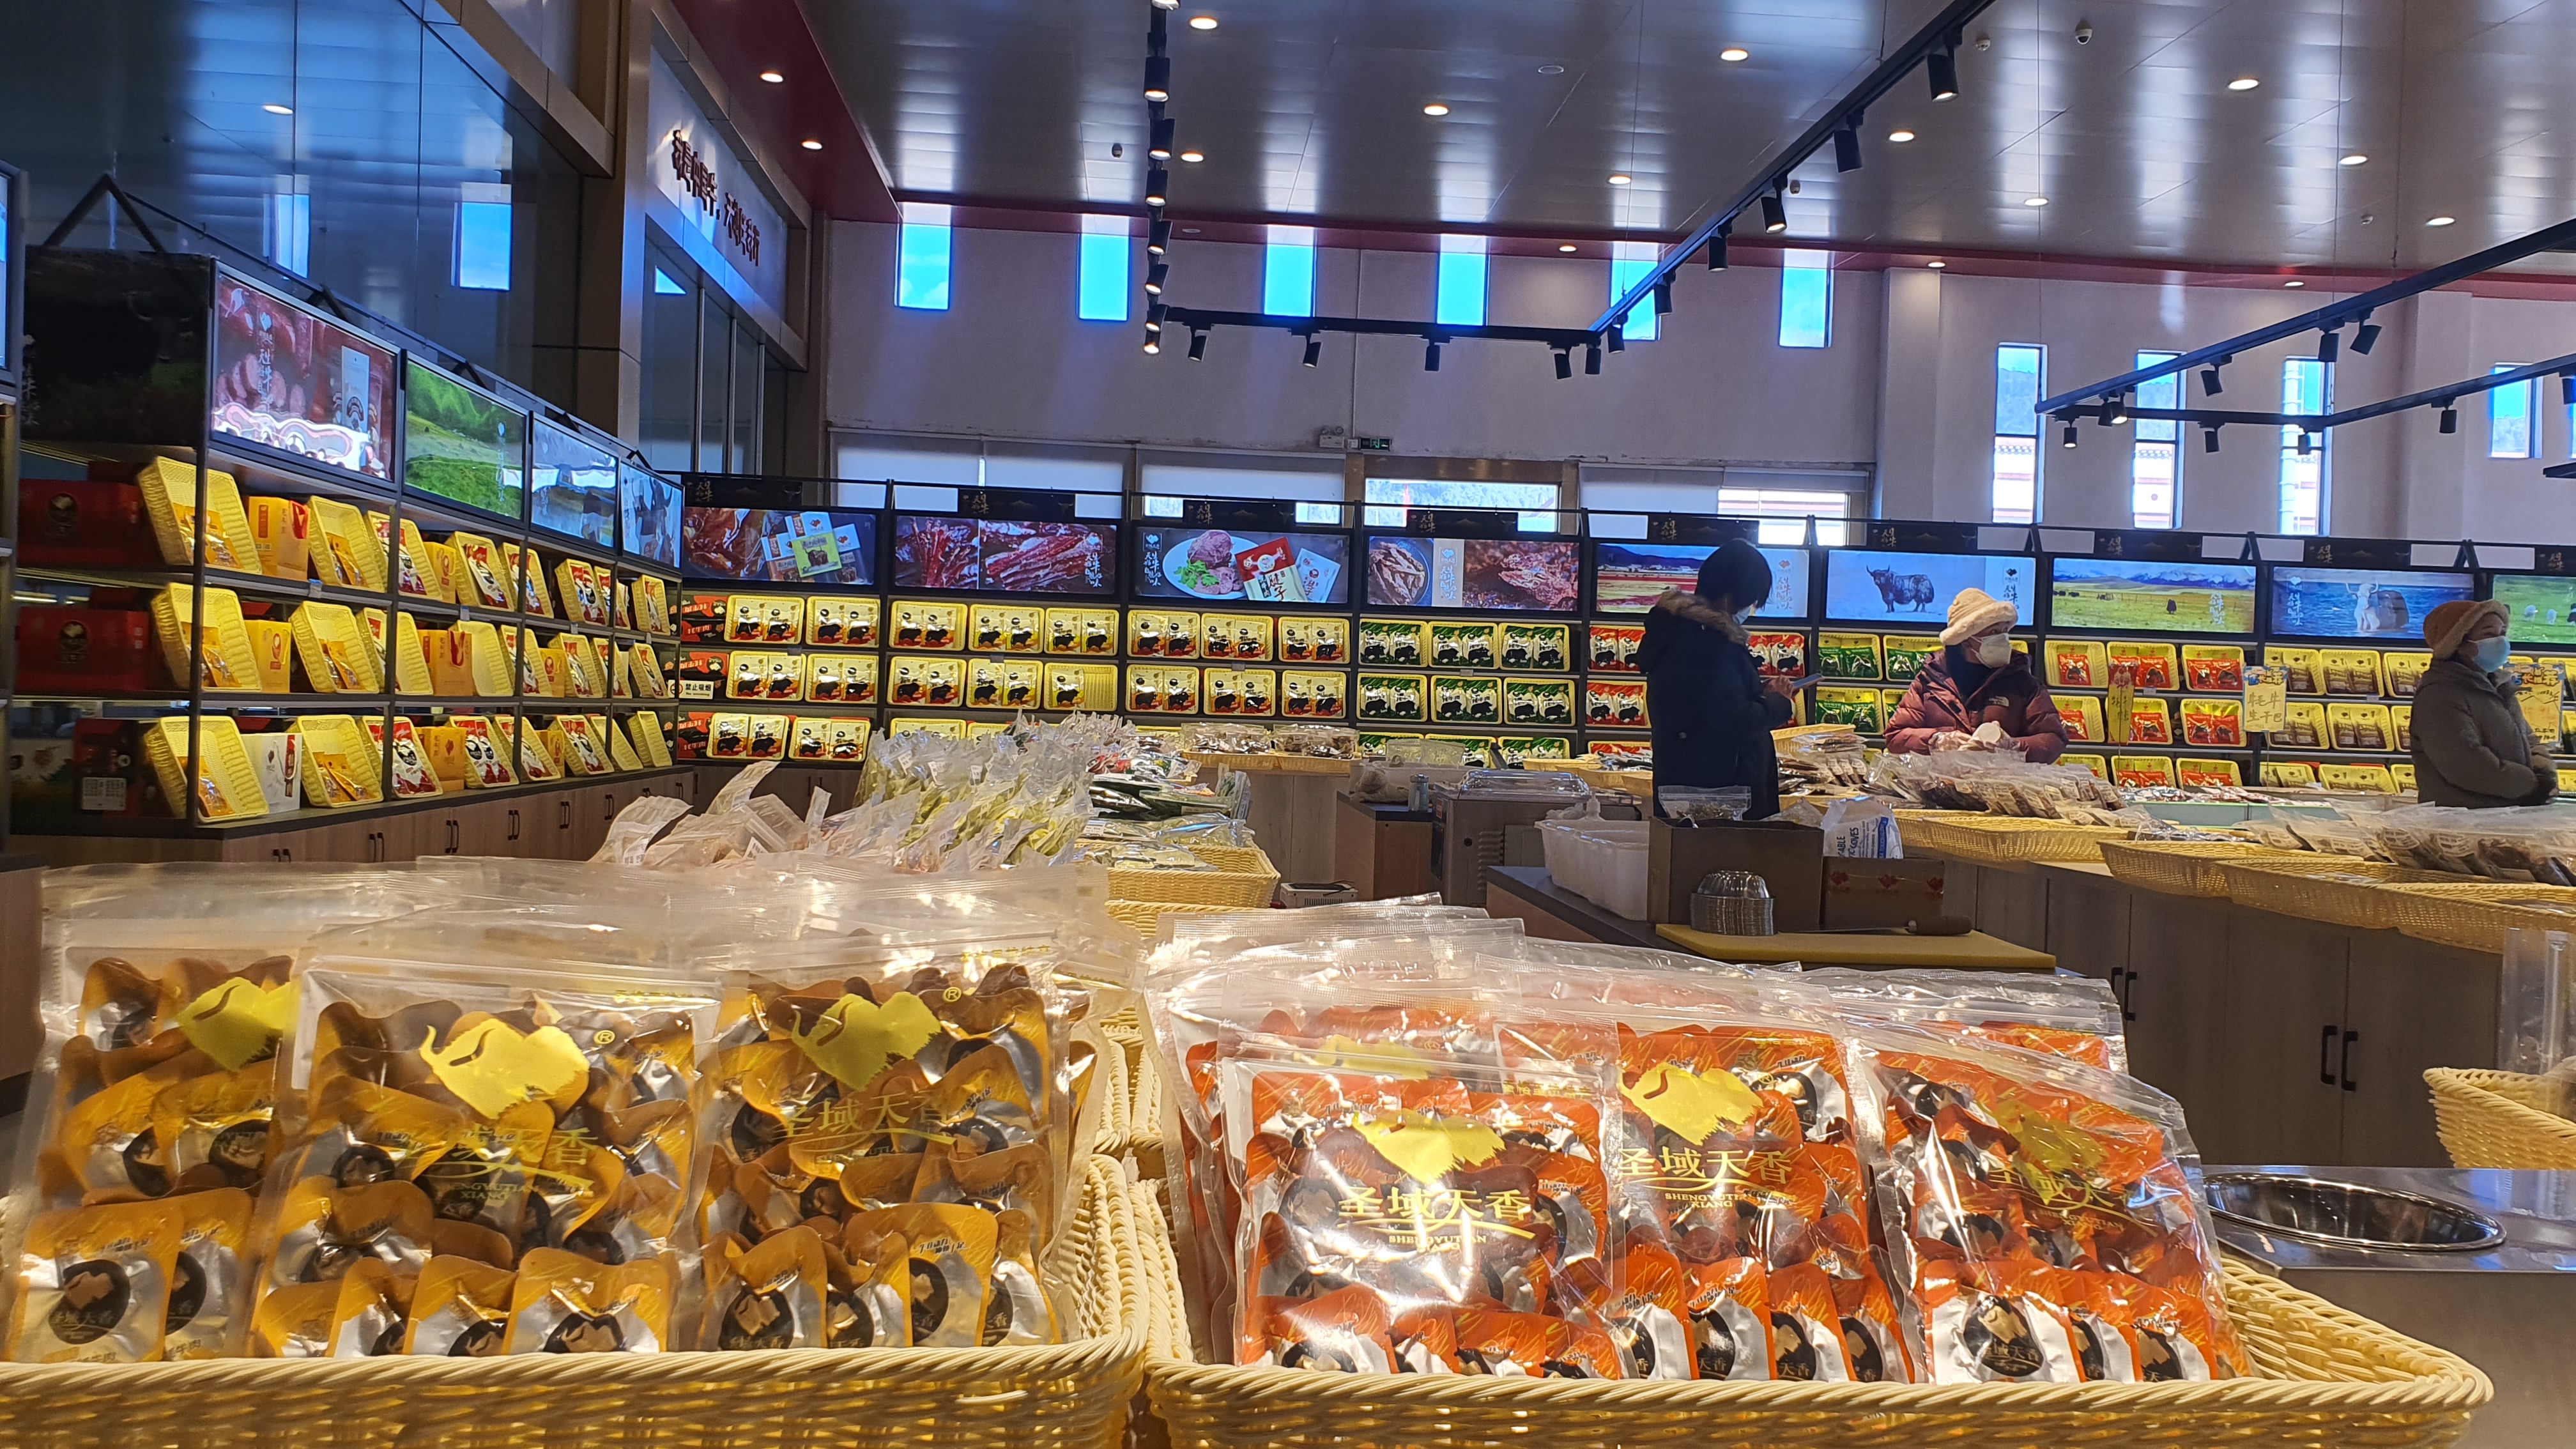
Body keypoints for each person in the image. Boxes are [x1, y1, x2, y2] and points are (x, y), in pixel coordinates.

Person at [1638, 539, 1797, 819]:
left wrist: (1758, 691)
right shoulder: (1708, 645)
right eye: (1751, 600)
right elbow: (1734, 720)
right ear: (1729, 597)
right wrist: (1778, 702)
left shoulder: (1679, 633)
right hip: (1719, 798)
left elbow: (1705, 703)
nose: (1751, 608)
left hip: (1688, 785)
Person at [1885, 588, 2068, 762]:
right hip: (1939, 783)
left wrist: (2012, 747)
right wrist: (1936, 740)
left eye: (2005, 631)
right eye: (1994, 632)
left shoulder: (2023, 683)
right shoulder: (1929, 681)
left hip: (1999, 784)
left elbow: (2054, 738)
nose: (2003, 638)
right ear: (1966, 640)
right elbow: (1896, 737)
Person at [2411, 598, 2557, 808]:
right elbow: (2467, 764)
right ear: (2459, 643)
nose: (2500, 641)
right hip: (2462, 819)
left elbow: (2527, 738)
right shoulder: (2439, 694)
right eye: (2489, 634)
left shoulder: (2498, 686)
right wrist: (2532, 786)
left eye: (2502, 633)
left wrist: (2544, 771)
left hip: (2502, 813)